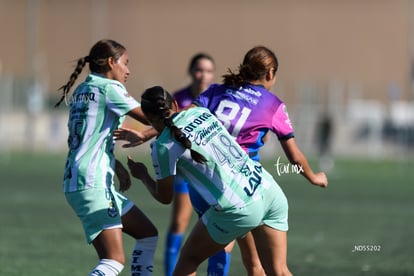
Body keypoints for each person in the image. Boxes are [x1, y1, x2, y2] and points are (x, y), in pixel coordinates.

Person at [123, 85, 298, 275]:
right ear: (174, 103)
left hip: (239, 208)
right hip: (268, 190)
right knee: (278, 271)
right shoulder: (201, 112)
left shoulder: (162, 147)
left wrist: (143, 175)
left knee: (189, 260)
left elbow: (165, 197)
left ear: (148, 118)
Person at [55, 39, 158, 276]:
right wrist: (186, 113)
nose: (128, 70)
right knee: (114, 260)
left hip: (81, 179)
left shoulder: (82, 90)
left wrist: (116, 165)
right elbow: (151, 117)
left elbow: (90, 139)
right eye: (126, 63)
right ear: (112, 62)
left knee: (147, 234)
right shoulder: (109, 88)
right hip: (92, 182)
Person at [166, 53, 223, 276]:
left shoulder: (219, 98)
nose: (203, 75)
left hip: (213, 172)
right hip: (187, 170)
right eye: (199, 70)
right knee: (180, 222)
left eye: (209, 71)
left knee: (220, 229)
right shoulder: (178, 99)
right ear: (190, 72)